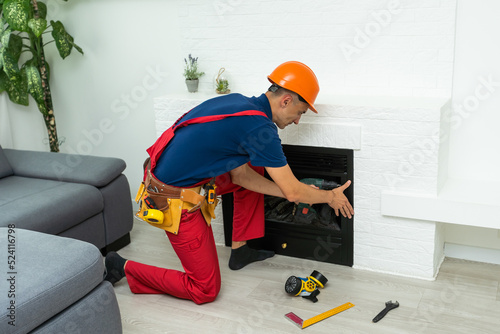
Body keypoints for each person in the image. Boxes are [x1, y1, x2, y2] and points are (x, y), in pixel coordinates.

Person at [104, 61, 354, 304]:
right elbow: (290, 191)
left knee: (256, 167)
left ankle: (240, 248)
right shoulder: (261, 129)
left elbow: (241, 177)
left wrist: (297, 190)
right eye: (300, 112)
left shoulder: (239, 104)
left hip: (166, 176)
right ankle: (123, 266)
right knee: (205, 290)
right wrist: (328, 196)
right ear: (286, 100)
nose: (298, 120)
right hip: (171, 199)